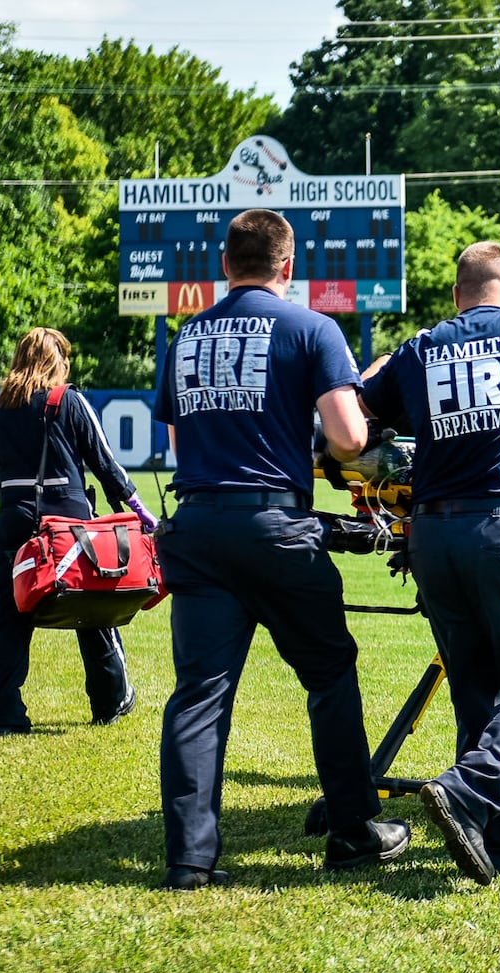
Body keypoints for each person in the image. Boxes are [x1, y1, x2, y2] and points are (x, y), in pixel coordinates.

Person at [152, 208, 409, 890]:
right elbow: (350, 438)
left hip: (200, 528)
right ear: (288, 267)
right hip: (275, 530)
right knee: (328, 677)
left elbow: (180, 444)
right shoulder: (312, 328)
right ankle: (354, 832)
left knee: (199, 695)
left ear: (225, 264)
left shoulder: (186, 337)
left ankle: (189, 859)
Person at [360, 243, 500, 884]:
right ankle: (466, 793)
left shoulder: (420, 348)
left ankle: (497, 845)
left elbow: (365, 403)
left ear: (456, 294)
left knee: (478, 690)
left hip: (432, 535)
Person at [0, 327, 152, 736]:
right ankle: (110, 701)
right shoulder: (68, 401)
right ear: (58, 363)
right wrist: (139, 511)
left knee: (10, 616)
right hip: (72, 531)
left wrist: (16, 505)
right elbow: (106, 463)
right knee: (92, 607)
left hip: (16, 525)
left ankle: (6, 715)